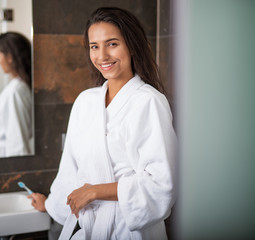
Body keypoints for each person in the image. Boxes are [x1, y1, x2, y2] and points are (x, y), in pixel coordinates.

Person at [29, 7, 176, 239]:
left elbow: (161, 183)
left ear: (132, 45)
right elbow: (71, 169)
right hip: (87, 227)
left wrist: (94, 191)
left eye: (112, 44)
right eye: (94, 46)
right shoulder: (85, 101)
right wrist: (51, 204)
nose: (102, 56)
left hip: (128, 229)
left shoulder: (149, 102)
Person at [0, 32, 34, 158]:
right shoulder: (17, 88)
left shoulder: (15, 92)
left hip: (6, 164)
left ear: (9, 57)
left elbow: (17, 143)